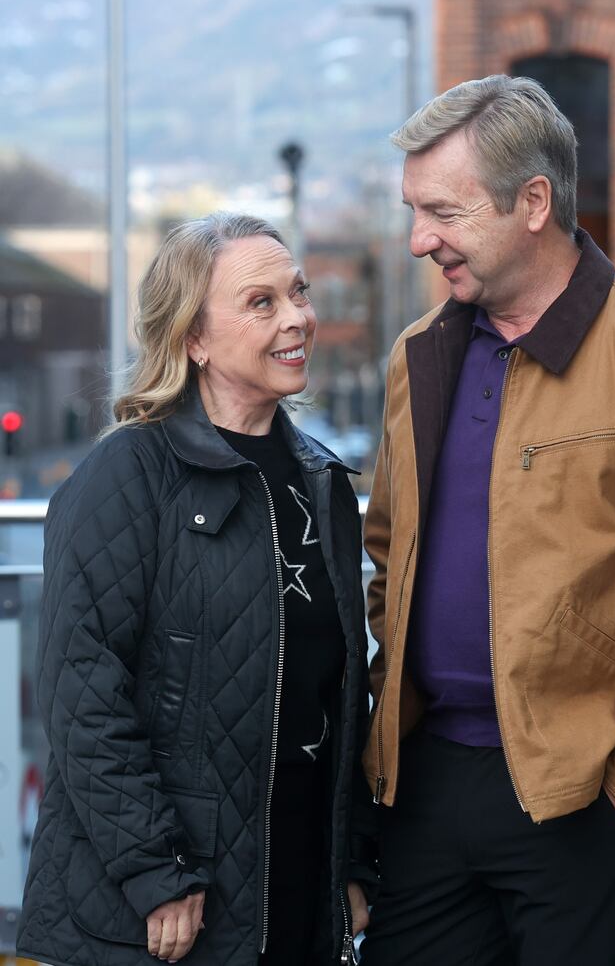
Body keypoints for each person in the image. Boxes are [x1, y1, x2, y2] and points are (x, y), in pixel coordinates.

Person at [358, 75, 615, 966]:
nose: (418, 241)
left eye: (444, 212)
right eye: (414, 211)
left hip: (585, 796)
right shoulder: (417, 355)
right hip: (428, 784)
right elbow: (388, 554)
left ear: (534, 203)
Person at [16, 212, 374, 966]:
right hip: (164, 904)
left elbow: (339, 696)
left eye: (298, 293)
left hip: (297, 878)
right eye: (261, 302)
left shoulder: (320, 482)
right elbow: (81, 694)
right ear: (194, 340)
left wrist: (353, 860)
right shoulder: (129, 475)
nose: (299, 318)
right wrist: (155, 867)